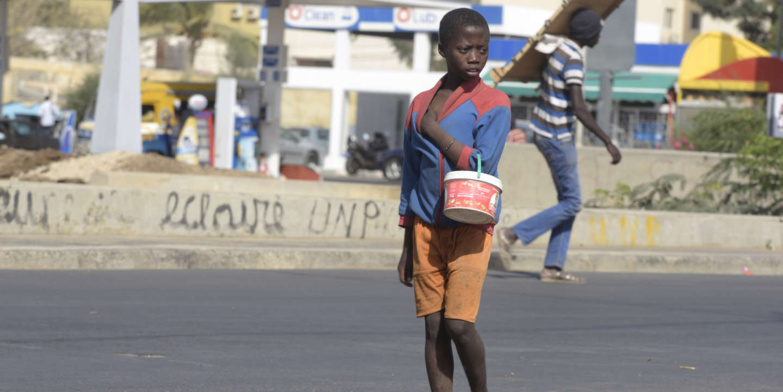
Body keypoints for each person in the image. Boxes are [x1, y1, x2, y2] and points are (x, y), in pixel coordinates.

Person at [396, 8, 510, 392]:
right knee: (434, 327)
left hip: (471, 227)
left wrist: (436, 131)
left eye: (483, 49)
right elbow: (411, 174)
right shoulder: (419, 103)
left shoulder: (494, 102)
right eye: (465, 49)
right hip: (426, 230)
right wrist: (406, 243)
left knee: (459, 324)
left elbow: (483, 163)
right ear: (443, 48)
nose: (475, 57)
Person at [497, 8, 622, 284]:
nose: (600, 35)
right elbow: (579, 107)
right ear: (589, 34)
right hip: (557, 136)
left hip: (542, 131)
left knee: (568, 202)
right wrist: (608, 141)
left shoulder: (557, 47)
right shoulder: (574, 58)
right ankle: (513, 234)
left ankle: (553, 267)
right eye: (598, 31)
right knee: (574, 202)